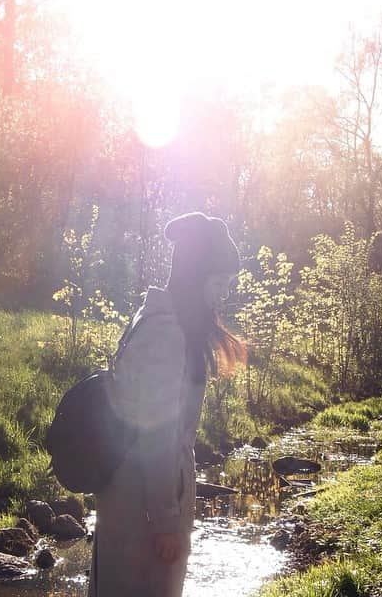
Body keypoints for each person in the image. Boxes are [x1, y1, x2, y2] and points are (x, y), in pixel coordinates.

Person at [88, 212, 245, 597]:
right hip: (142, 506)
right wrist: (165, 522)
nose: (223, 294)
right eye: (220, 283)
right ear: (197, 278)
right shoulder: (167, 332)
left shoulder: (157, 317)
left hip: (132, 495)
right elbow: (156, 434)